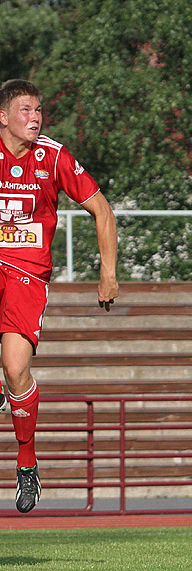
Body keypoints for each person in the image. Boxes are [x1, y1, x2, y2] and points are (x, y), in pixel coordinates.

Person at [0, 79, 118, 513]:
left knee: (15, 370)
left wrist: (108, 275)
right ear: (3, 117)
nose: (35, 118)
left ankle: (27, 464)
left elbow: (102, 209)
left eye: (38, 111)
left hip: (26, 271)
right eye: (26, 110)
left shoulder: (52, 156)